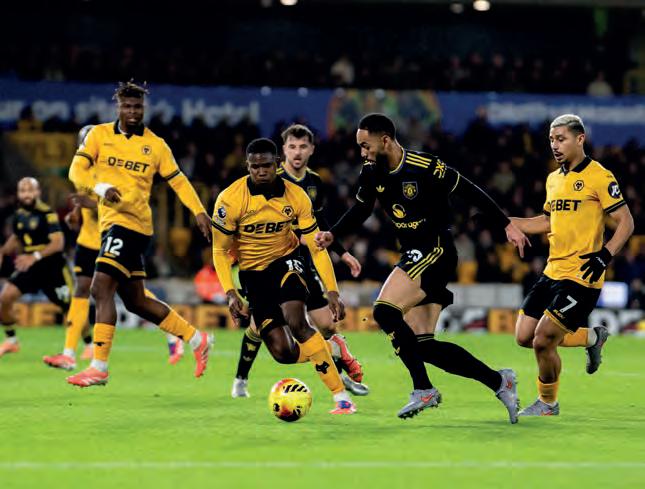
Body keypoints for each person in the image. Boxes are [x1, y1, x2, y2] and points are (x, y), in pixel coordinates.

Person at [316, 113, 528, 421]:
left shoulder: (425, 166)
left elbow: (468, 189)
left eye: (365, 145)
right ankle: (499, 381)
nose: (362, 152)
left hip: (436, 250)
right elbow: (362, 209)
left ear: (385, 140)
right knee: (422, 346)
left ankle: (423, 389)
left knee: (384, 312)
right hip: (414, 254)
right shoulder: (371, 172)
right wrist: (334, 234)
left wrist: (506, 224)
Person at [65, 81, 213, 387]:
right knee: (136, 301)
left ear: (143, 108)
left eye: (138, 107)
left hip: (133, 224)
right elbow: (75, 171)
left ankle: (98, 366)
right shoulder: (99, 135)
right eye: (127, 106)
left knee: (100, 288)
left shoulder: (156, 145)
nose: (133, 112)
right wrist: (100, 188)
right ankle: (197, 339)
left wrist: (199, 211)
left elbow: (179, 181)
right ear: (118, 107)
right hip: (111, 224)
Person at [212, 138, 356, 414]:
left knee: (297, 322)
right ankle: (332, 348)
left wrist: (332, 290)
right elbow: (219, 250)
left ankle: (341, 398)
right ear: (247, 166)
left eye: (266, 165)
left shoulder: (296, 196)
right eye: (254, 166)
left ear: (277, 164)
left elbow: (316, 246)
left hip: (286, 262)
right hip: (253, 275)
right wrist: (230, 292)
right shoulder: (229, 200)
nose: (260, 171)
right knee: (283, 353)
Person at [511, 114, 634, 416]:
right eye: (551, 139)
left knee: (543, 341)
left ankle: (547, 403)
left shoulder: (599, 176)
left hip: (582, 275)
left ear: (580, 139)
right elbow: (548, 221)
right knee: (524, 337)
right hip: (552, 271)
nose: (555, 145)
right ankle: (592, 337)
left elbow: (626, 222)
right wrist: (506, 222)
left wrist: (605, 255)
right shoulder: (553, 179)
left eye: (561, 139)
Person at [43, 126, 99, 370]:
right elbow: (83, 198)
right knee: (81, 290)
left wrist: (91, 206)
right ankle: (68, 354)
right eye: (82, 143)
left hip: (111, 239)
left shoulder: (109, 170)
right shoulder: (80, 170)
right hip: (87, 241)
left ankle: (177, 334)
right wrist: (76, 212)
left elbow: (118, 205)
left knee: (134, 295)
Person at [0, 178, 73, 356]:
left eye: (30, 190)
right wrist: (2, 251)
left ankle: (88, 344)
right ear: (18, 194)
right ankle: (11, 340)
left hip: (52, 267)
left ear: (38, 192)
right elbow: (16, 238)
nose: (26, 194)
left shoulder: (47, 214)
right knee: (5, 298)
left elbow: (58, 243)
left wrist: (35, 256)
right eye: (23, 191)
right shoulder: (19, 215)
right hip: (29, 267)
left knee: (71, 308)